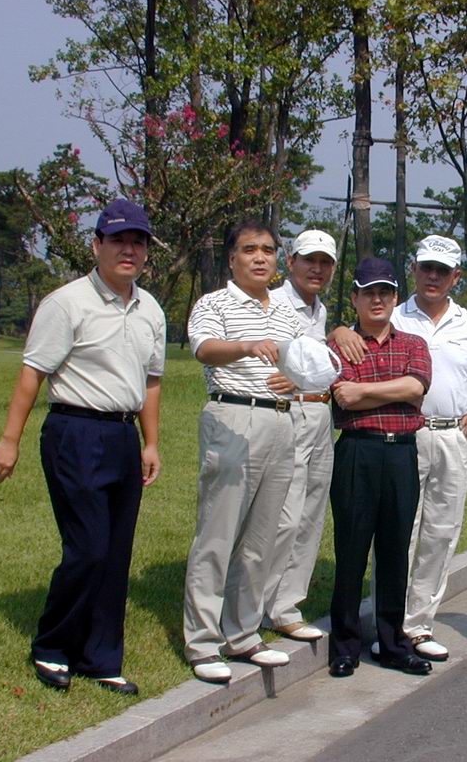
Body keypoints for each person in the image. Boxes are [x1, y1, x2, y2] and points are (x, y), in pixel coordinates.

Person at [0, 199, 165, 695]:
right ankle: (52, 645)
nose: (128, 250)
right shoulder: (66, 303)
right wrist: (9, 440)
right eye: (118, 240)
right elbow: (33, 373)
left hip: (122, 436)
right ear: (96, 245)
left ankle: (100, 657)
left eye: (137, 242)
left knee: (116, 552)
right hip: (75, 431)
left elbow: (151, 381)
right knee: (87, 547)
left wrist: (150, 442)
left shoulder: (150, 309)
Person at [335, 235, 467, 662]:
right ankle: (388, 625)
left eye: (442, 271)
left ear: (456, 277)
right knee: (398, 535)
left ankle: (418, 625)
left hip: (452, 434)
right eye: (426, 268)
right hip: (405, 436)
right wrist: (337, 329)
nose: (433, 276)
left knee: (441, 531)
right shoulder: (395, 311)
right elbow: (351, 333)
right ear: (413, 270)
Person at [183, 219, 303, 684]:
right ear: (232, 257)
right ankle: (202, 642)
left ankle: (243, 633)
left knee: (261, 539)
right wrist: (245, 346)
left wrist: (298, 379)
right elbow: (204, 349)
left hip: (281, 420)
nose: (259, 257)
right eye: (250, 249)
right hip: (233, 416)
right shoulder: (214, 303)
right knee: (218, 534)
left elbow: (303, 363)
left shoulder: (287, 312)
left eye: (268, 250)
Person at [326, 257, 433, 678]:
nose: (377, 300)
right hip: (358, 451)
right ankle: (345, 646)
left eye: (385, 292)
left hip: (402, 453)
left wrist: (366, 390)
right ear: (354, 298)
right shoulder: (339, 345)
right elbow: (343, 396)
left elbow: (416, 387)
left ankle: (392, 644)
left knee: (394, 551)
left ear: (395, 298)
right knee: (351, 550)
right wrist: (395, 391)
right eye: (368, 292)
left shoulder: (413, 344)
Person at [261, 229, 338, 643]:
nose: (317, 269)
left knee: (310, 515)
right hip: (288, 412)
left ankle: (286, 607)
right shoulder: (271, 303)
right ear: (290, 262)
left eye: (325, 262)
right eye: (309, 260)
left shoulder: (319, 311)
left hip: (321, 412)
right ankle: (255, 603)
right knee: (283, 516)